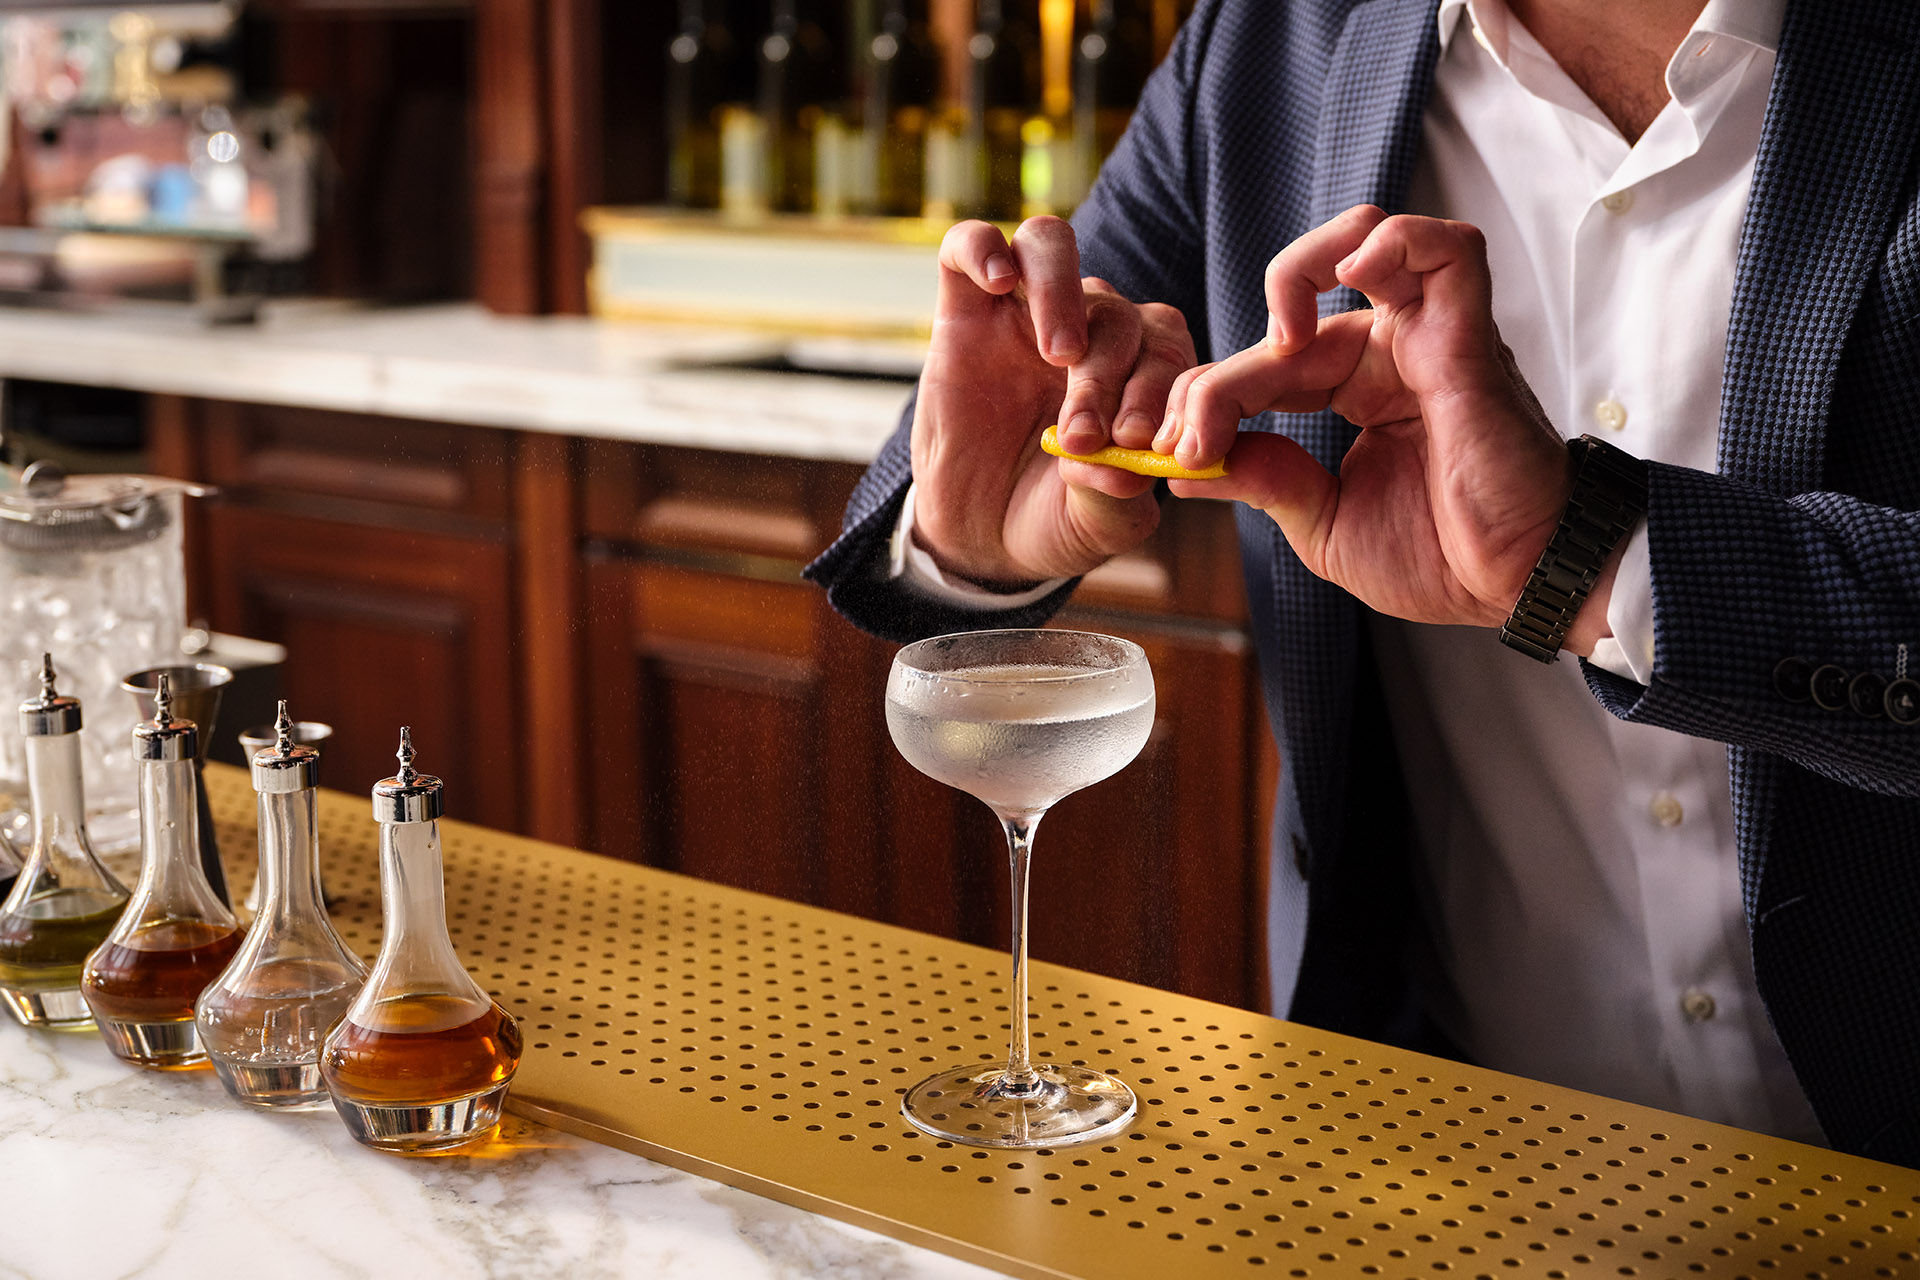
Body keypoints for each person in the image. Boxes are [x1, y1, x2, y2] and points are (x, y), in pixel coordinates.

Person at [806, 0, 1920, 1169]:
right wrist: (976, 531)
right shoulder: (1268, 40)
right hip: (1429, 1156)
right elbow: (985, 430)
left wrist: (1593, 556)